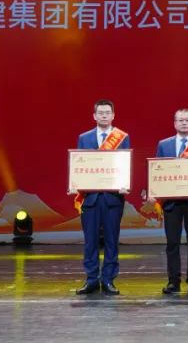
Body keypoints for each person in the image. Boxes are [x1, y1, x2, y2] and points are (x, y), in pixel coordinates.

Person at [151, 108, 188, 295]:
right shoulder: (164, 145)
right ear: (174, 123)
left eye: (187, 120)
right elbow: (157, 170)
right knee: (172, 243)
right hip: (171, 202)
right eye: (180, 120)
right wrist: (154, 191)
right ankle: (173, 281)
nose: (184, 123)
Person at [75, 99, 131, 296]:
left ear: (113, 115)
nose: (104, 115)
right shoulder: (84, 138)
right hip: (90, 198)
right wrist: (75, 184)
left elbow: (125, 164)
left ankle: (108, 280)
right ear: (94, 116)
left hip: (112, 198)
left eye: (107, 112)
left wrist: (125, 183)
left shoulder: (122, 137)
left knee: (111, 241)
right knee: (90, 241)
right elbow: (79, 165)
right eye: (100, 113)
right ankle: (91, 279)